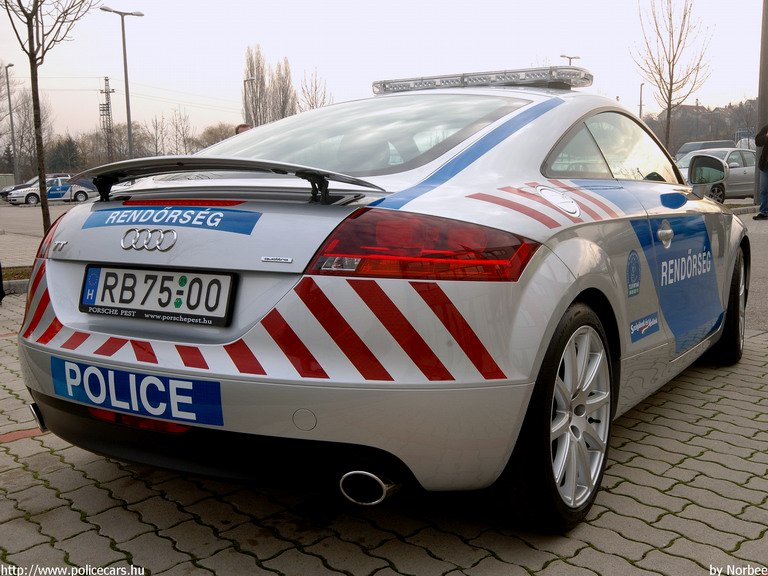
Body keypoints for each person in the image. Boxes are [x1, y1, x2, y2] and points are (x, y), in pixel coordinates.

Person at [754, 123, 768, 220]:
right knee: (764, 189)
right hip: (765, 165)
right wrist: (766, 136)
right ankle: (764, 212)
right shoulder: (766, 128)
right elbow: (757, 142)